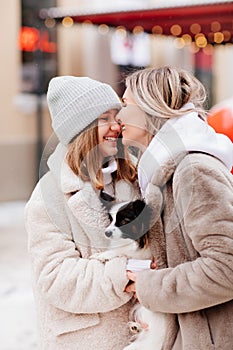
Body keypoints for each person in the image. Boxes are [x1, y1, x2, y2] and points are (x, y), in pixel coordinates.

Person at [116, 66, 233, 349]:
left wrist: (150, 286)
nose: (118, 117)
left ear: (150, 108)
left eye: (126, 104)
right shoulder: (161, 169)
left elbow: (226, 267)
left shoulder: (193, 170)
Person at [24, 76, 140, 350]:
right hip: (85, 340)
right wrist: (121, 275)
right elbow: (55, 278)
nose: (116, 126)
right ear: (81, 130)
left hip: (140, 336)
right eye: (104, 118)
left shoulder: (131, 176)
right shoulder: (48, 197)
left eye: (117, 115)